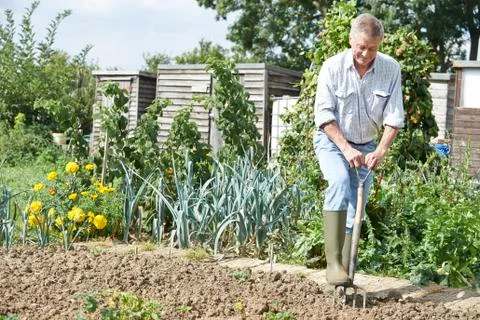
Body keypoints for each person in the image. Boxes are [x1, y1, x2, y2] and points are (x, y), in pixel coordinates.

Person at [313, 13, 404, 285]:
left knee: (356, 209)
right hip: (332, 141)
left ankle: (345, 271)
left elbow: (394, 117)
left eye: (372, 48)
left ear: (380, 43)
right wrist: (346, 149)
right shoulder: (332, 67)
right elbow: (324, 116)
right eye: (361, 46)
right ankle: (332, 264)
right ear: (351, 40)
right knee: (339, 182)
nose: (366, 53)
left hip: (367, 145)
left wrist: (381, 150)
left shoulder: (391, 69)